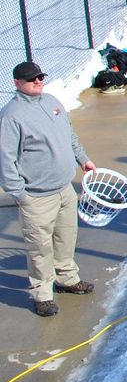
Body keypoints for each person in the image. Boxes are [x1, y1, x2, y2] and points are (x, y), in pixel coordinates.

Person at [0, 61, 97, 318]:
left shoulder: (52, 101)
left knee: (66, 237)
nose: (38, 82)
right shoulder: (11, 116)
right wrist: (19, 193)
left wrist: (83, 159)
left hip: (65, 188)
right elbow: (5, 159)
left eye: (40, 77)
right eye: (32, 79)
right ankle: (42, 294)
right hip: (36, 196)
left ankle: (66, 279)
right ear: (17, 83)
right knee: (39, 248)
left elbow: (70, 135)